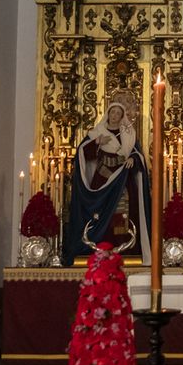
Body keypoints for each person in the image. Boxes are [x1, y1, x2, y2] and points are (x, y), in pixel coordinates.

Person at [61, 101, 153, 265]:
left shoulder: (128, 134)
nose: (115, 116)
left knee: (122, 212)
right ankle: (100, 246)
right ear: (108, 114)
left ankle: (124, 248)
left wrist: (133, 158)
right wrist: (97, 143)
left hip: (123, 179)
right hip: (103, 177)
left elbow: (138, 156)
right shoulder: (98, 132)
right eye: (112, 112)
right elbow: (82, 153)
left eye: (118, 113)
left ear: (122, 116)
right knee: (101, 211)